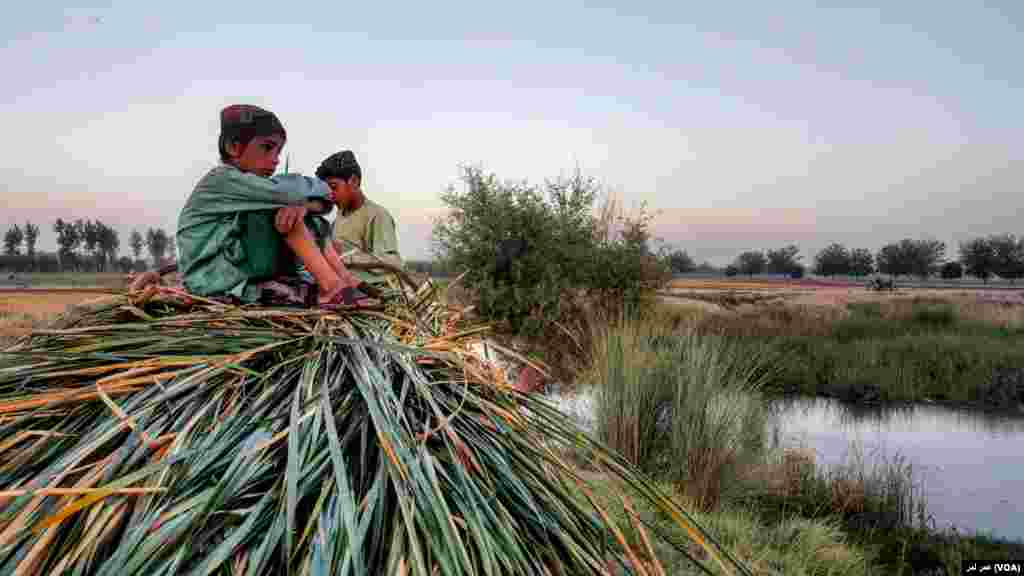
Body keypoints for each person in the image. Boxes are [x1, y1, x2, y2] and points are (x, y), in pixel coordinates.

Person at [175, 105, 373, 308]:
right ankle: (332, 288)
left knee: (300, 214)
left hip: (236, 272)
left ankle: (342, 280)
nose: (276, 159)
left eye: (279, 151)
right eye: (267, 148)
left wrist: (304, 206)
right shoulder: (221, 180)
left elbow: (310, 197)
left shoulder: (250, 189)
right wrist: (307, 201)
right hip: (210, 281)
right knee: (283, 210)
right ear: (234, 147)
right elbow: (292, 192)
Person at [315, 151, 403, 289]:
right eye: (327, 190)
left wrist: (345, 257)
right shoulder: (338, 218)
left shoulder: (377, 215)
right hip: (343, 288)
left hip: (371, 291)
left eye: (334, 187)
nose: (330, 195)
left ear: (354, 182)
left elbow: (393, 262)